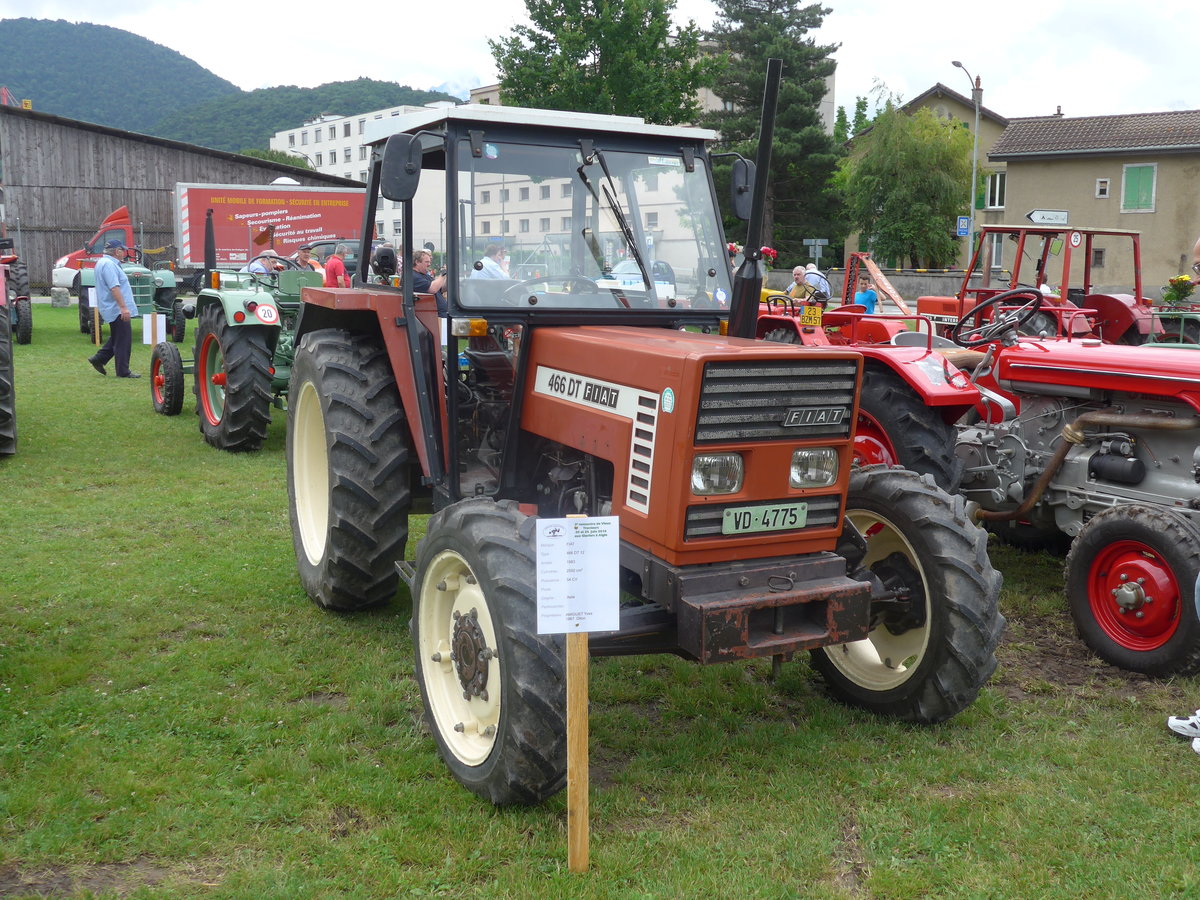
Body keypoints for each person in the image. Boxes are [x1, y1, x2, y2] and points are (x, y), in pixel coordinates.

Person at [87, 239, 142, 378]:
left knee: (118, 337)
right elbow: (114, 287)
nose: (124, 253)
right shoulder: (109, 265)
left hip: (112, 307)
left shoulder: (103, 263)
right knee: (123, 340)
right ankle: (123, 371)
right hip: (116, 308)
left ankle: (98, 359)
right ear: (117, 251)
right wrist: (123, 308)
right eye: (123, 250)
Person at [412, 249, 448, 315]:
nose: (429, 264)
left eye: (429, 262)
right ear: (417, 262)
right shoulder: (413, 276)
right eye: (427, 262)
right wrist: (443, 273)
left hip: (442, 313)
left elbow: (441, 288)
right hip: (434, 315)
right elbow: (433, 289)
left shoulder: (425, 275)